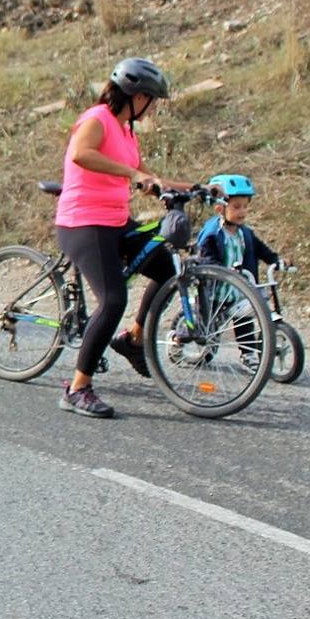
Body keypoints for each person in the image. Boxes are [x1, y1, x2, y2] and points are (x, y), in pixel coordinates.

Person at [54, 57, 191, 418]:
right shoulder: (97, 118)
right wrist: (131, 173)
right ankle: (77, 388)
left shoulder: (127, 130)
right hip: (83, 222)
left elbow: (149, 176)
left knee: (165, 268)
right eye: (152, 99)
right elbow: (82, 154)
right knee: (113, 299)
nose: (154, 107)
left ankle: (132, 338)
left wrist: (196, 187)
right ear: (136, 95)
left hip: (115, 221)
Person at [197, 174, 283, 370]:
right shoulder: (212, 232)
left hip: (238, 289)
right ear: (220, 208)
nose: (242, 211)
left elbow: (261, 249)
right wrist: (218, 269)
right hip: (215, 291)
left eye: (245, 206)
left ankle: (248, 354)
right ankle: (180, 341)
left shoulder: (245, 233)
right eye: (236, 207)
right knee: (208, 329)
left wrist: (276, 260)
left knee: (245, 319)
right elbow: (205, 258)